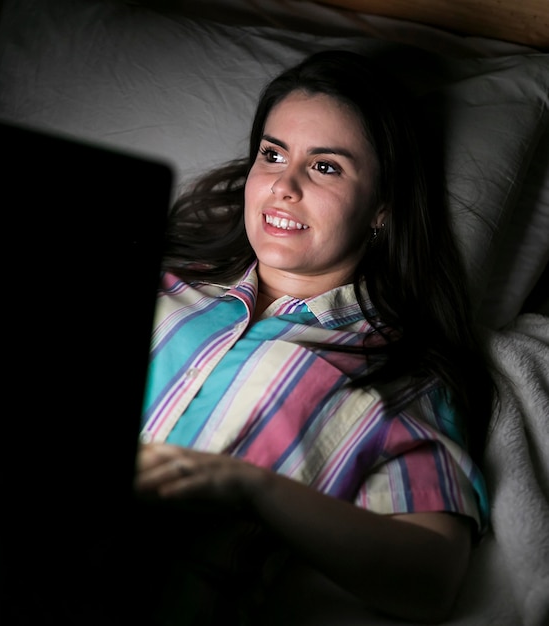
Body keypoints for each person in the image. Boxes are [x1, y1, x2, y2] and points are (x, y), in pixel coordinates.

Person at [134, 49, 495, 625]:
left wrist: (252, 486)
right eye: (272, 155)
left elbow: (432, 578)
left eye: (325, 166)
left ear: (382, 207)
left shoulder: (398, 369)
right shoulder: (164, 280)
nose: (283, 186)